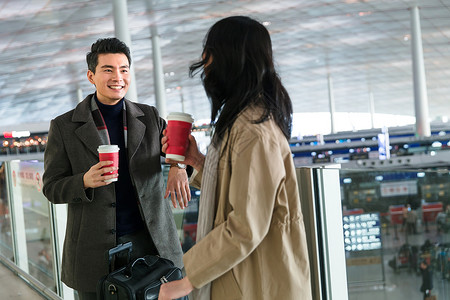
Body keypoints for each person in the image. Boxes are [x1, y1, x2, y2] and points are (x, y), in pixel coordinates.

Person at [159, 16, 312, 300]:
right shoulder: (243, 120)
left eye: (211, 54)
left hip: (257, 282)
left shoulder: (253, 132)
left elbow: (246, 225)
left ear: (231, 59)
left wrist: (185, 278)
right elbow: (239, 192)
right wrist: (197, 161)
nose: (206, 65)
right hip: (247, 275)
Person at [42, 37, 190, 299]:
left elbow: (178, 148)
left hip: (152, 244)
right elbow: (52, 188)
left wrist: (177, 165)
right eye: (108, 69)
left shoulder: (150, 117)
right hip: (94, 251)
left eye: (123, 69)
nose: (117, 77)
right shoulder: (65, 126)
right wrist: (84, 181)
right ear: (91, 75)